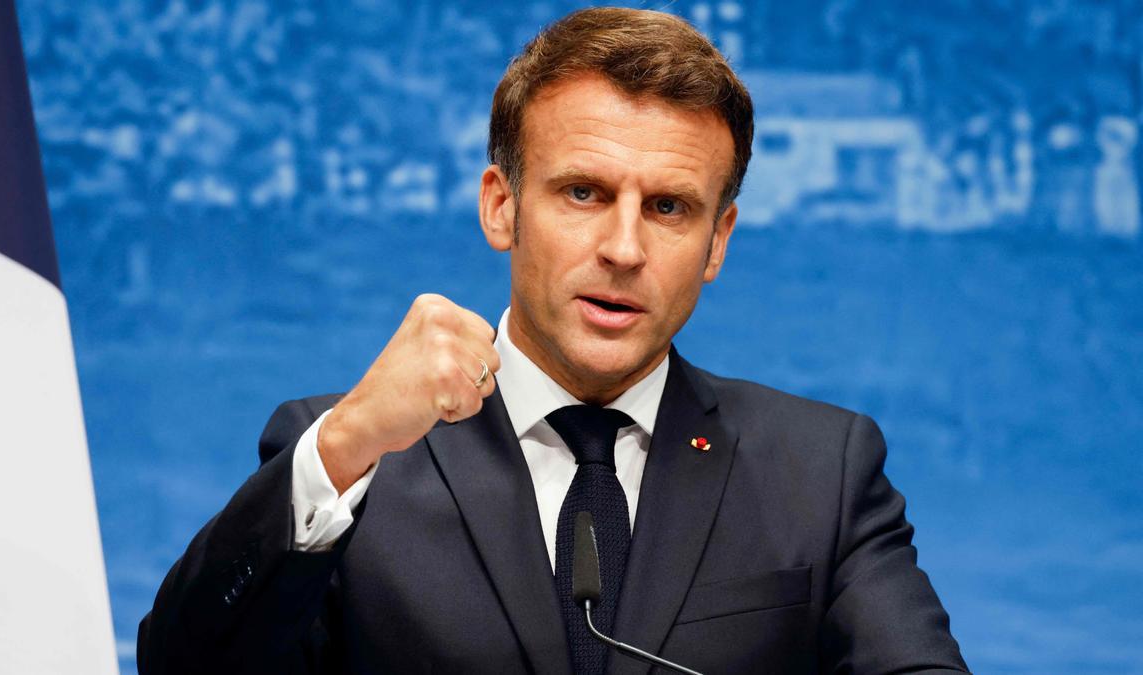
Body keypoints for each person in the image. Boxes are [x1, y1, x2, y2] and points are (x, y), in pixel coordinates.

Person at [138, 8, 967, 674]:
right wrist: (349, 443)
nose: (625, 248)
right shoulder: (352, 459)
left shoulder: (823, 469)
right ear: (502, 206)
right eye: (583, 192)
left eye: (670, 208)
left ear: (718, 241)